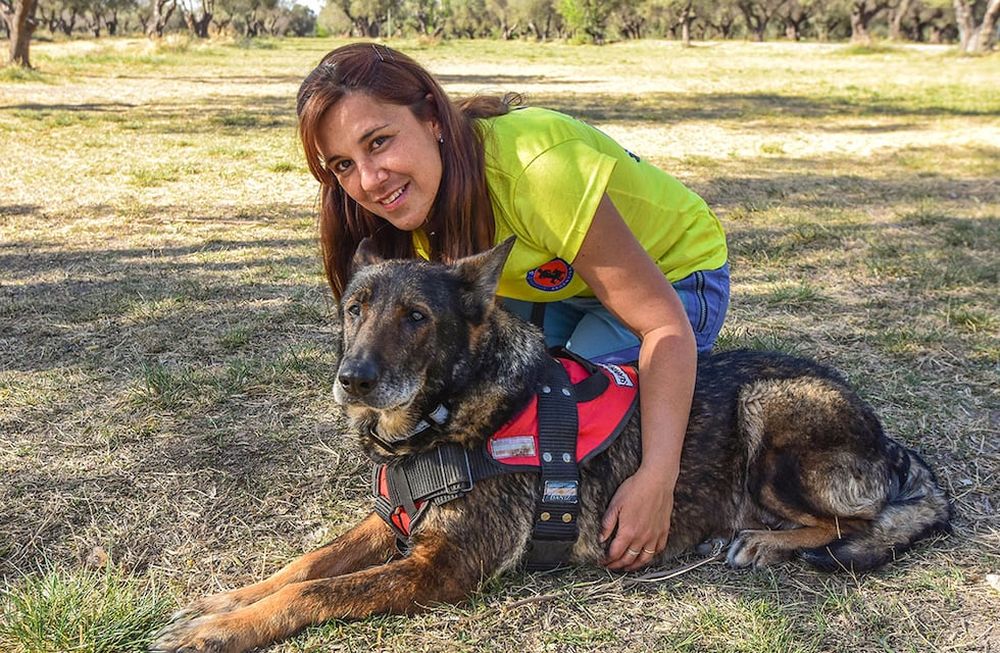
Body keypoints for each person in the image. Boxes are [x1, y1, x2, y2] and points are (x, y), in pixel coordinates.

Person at [296, 43, 729, 572]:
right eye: (343, 164)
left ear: (432, 117)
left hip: (674, 277)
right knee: (503, 393)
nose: (368, 180)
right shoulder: (408, 201)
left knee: (573, 411)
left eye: (379, 141)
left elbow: (664, 326)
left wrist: (657, 479)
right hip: (558, 283)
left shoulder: (535, 170)